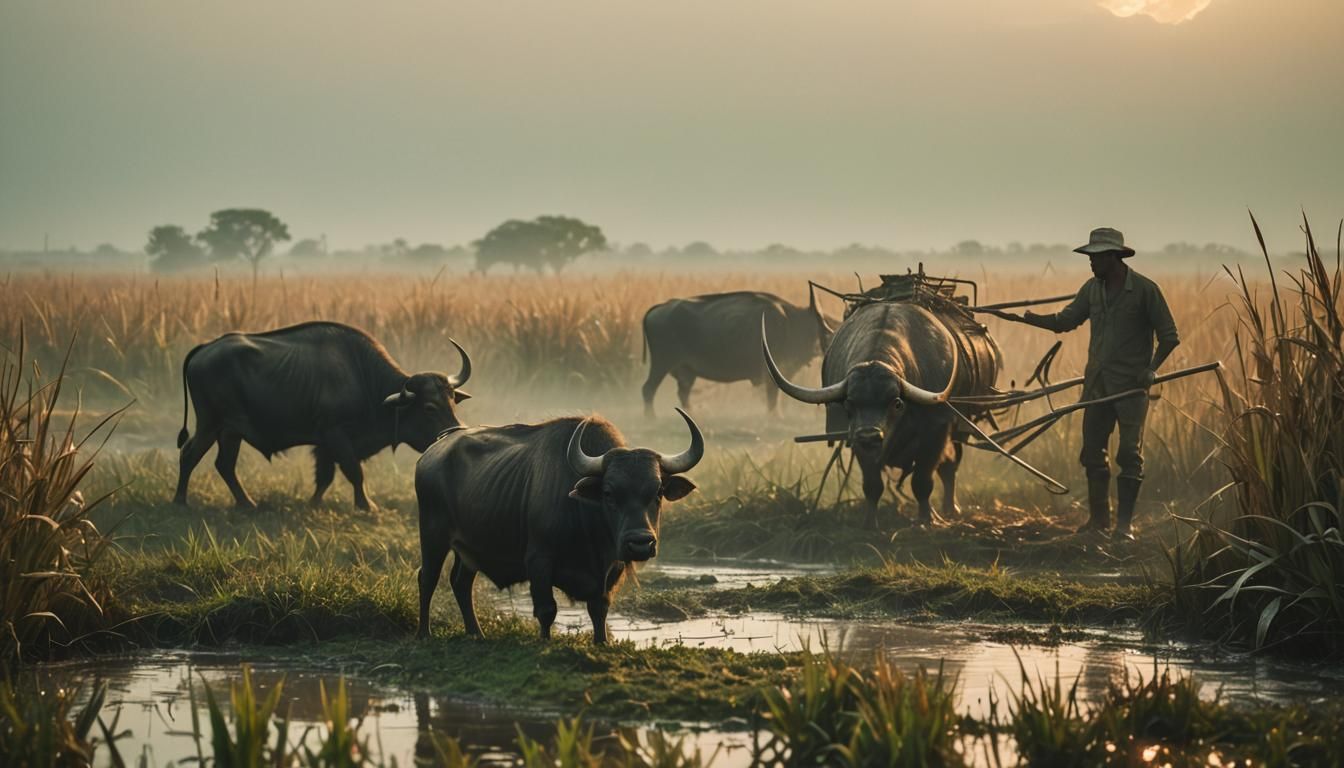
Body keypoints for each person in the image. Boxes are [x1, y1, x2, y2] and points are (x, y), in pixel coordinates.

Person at [987, 227, 1179, 540]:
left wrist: (1151, 370)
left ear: (1113, 257)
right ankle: (1099, 521)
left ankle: (1123, 527)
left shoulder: (1145, 290)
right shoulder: (1091, 289)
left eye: (1096, 257)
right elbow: (1064, 322)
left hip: (1131, 388)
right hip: (1096, 387)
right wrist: (1025, 317)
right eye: (1089, 257)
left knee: (1129, 456)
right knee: (1092, 452)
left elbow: (1170, 337)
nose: (1090, 263)